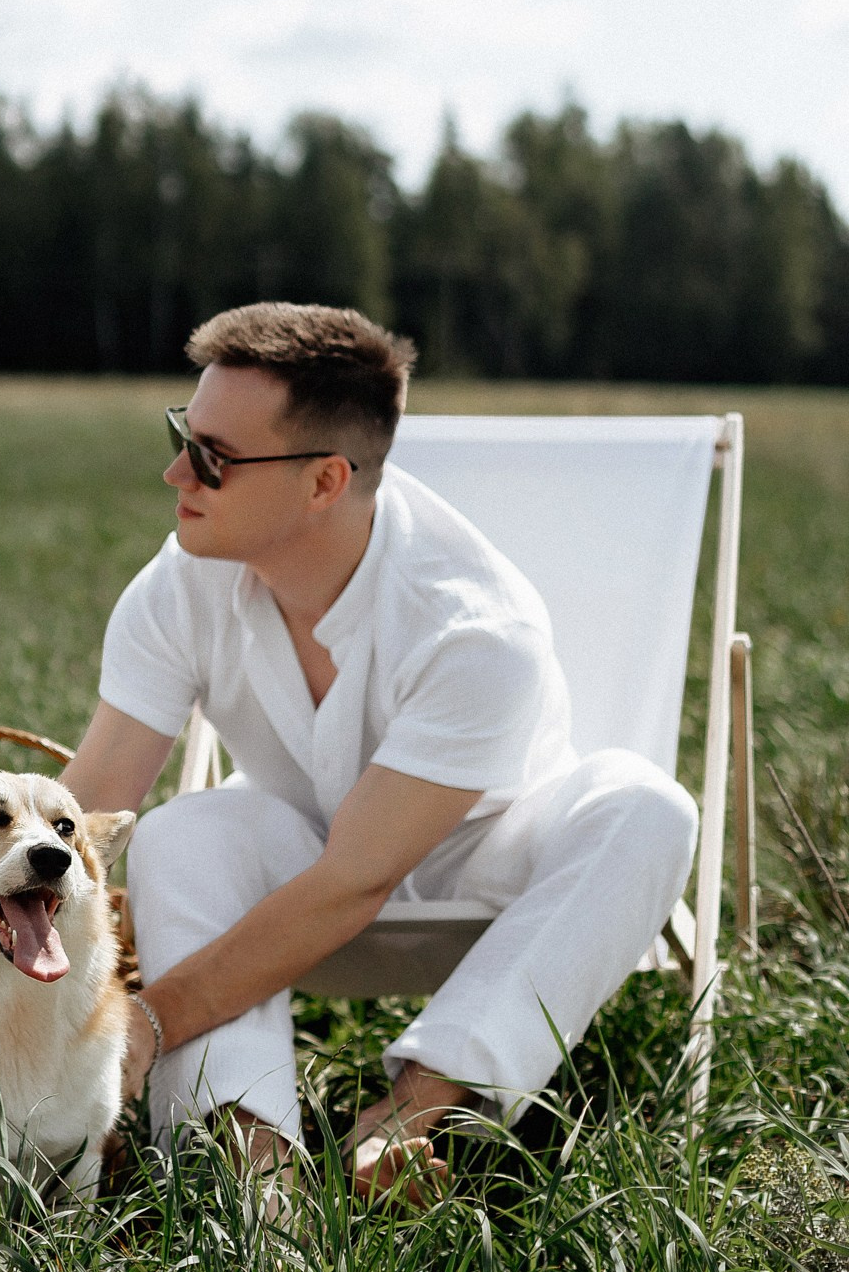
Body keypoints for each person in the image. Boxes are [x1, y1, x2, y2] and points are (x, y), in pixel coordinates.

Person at [58, 302, 698, 1199]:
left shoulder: (475, 629)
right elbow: (86, 812)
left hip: (492, 857)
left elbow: (354, 884)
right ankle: (250, 1174)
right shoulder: (181, 582)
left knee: (648, 807)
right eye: (182, 434)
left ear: (324, 482)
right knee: (180, 833)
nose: (176, 473)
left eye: (213, 456)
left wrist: (147, 1023)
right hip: (304, 848)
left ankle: (411, 1115)